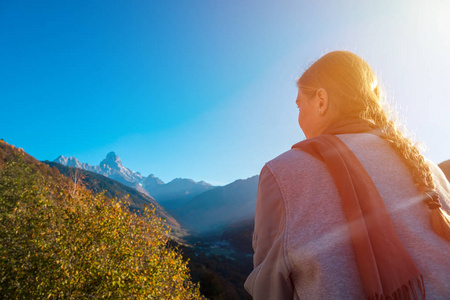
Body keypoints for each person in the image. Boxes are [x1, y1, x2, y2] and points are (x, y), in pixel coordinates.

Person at [244, 51, 450, 299]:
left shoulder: (281, 172)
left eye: (300, 105)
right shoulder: (428, 170)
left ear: (321, 100)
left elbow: (269, 290)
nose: (298, 118)